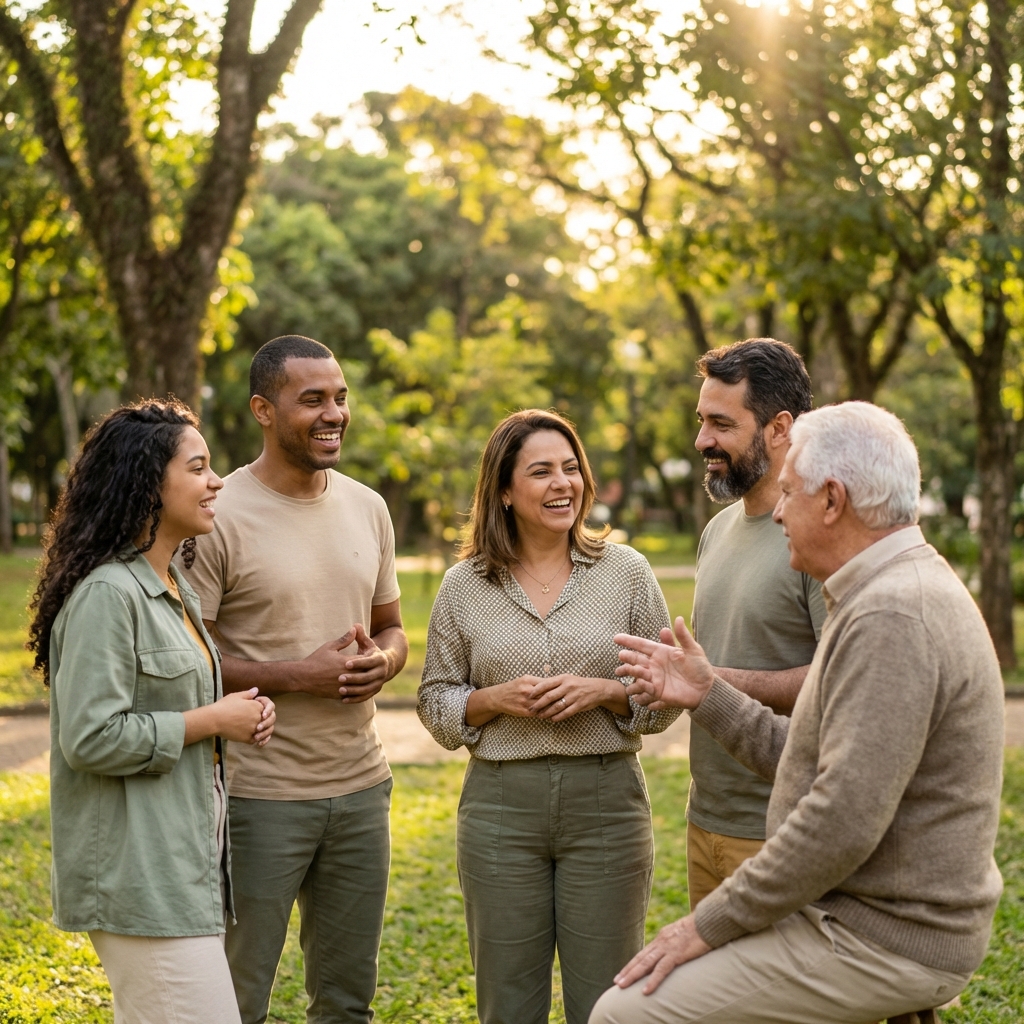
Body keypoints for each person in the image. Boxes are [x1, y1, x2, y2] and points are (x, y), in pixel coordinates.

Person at [595, 402, 1004, 1024]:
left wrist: (706, 926)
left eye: (789, 494)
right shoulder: (881, 590)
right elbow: (810, 757)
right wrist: (707, 693)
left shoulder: (891, 616)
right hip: (860, 912)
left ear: (833, 500)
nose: (779, 511)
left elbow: (840, 817)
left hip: (879, 934)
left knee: (626, 1012)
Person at [417, 409, 681, 1024]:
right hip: (500, 810)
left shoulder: (627, 574)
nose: (563, 483)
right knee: (507, 1003)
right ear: (504, 491)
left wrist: (606, 693)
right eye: (541, 471)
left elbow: (666, 695)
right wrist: (491, 701)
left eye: (571, 469)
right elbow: (435, 700)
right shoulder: (464, 586)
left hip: (606, 805)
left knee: (611, 1002)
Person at [181, 335, 408, 1024]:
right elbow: (187, 655)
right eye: (312, 400)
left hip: (361, 789)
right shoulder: (216, 514)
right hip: (257, 797)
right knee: (234, 997)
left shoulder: (368, 506)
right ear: (263, 409)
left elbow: (392, 626)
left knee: (346, 1002)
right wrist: (297, 676)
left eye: (339, 397)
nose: (333, 413)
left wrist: (386, 662)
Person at [29, 400, 276, 1024]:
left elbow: (173, 708)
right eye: (198, 468)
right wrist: (213, 721)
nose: (217, 481)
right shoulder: (109, 596)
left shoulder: (174, 589)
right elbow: (89, 737)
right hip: (140, 878)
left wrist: (232, 714)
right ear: (147, 484)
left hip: (183, 869)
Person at [685, 338, 826, 909]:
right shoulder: (715, 533)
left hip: (783, 828)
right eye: (701, 421)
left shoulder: (819, 536)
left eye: (722, 424)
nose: (702, 441)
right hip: (704, 822)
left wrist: (707, 682)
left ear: (779, 427)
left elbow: (839, 679)